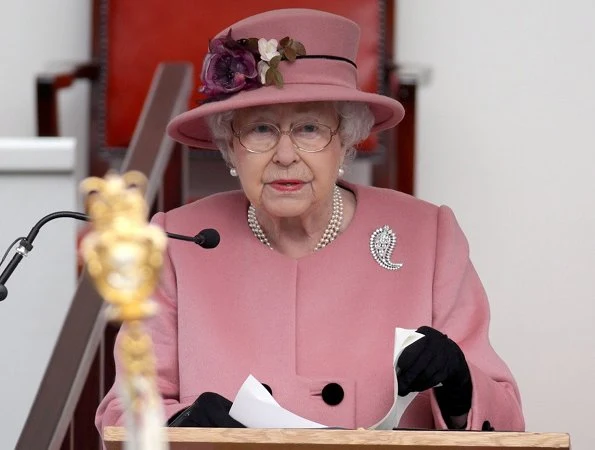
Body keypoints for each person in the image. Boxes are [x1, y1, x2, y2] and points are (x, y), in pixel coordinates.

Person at [95, 8, 524, 437]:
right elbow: (123, 412)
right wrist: (180, 425)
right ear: (230, 147)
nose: (284, 156)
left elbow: (507, 421)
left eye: (309, 129)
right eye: (260, 130)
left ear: (346, 141)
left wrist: (459, 386)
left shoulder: (427, 236)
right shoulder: (179, 243)